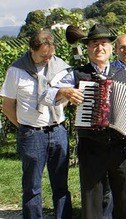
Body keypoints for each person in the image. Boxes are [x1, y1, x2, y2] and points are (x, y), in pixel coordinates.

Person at [52, 24, 126, 218]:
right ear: (88, 48)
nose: (99, 47)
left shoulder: (123, 74)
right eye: (94, 44)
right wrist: (62, 92)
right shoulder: (77, 74)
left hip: (121, 147)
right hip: (92, 147)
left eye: (104, 43)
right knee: (92, 200)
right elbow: (47, 94)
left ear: (110, 48)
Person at [0, 30, 72, 219]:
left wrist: (61, 100)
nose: (48, 59)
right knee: (32, 188)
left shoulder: (61, 67)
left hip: (58, 131)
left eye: (51, 54)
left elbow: (67, 98)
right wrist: (25, 126)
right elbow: (7, 107)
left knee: (61, 186)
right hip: (32, 134)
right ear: (31, 50)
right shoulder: (16, 71)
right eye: (43, 55)